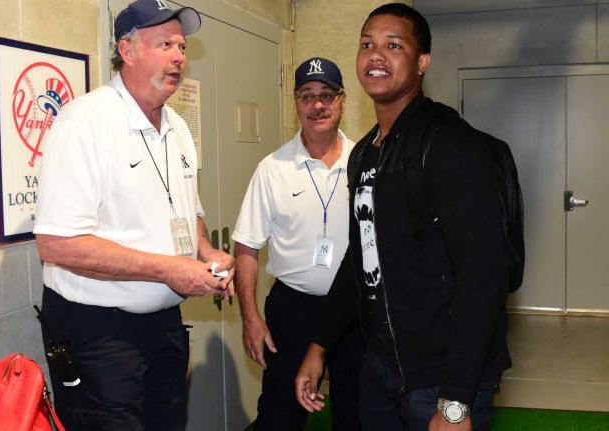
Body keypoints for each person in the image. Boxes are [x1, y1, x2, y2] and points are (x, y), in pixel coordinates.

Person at [295, 4, 512, 431]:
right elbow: (361, 263)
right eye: (367, 45)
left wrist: (455, 402)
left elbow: (484, 276)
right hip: (380, 369)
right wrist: (318, 346)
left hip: (441, 380)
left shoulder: (450, 144)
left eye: (393, 45)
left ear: (422, 63)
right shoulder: (365, 154)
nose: (376, 55)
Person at [33, 1, 235, 429]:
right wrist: (167, 270)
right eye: (165, 44)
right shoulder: (84, 122)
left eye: (182, 45)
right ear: (126, 50)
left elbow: (188, 211)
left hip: (163, 324)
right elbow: (57, 244)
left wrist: (205, 252)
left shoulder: (178, 128)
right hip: (99, 333)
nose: (179, 56)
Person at [233, 57, 365, 430]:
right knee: (279, 417)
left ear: (342, 101)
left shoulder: (364, 161)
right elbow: (246, 248)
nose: (317, 105)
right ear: (296, 102)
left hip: (353, 312)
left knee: (357, 415)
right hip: (293, 311)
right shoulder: (272, 169)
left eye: (326, 95)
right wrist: (251, 318)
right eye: (307, 96)